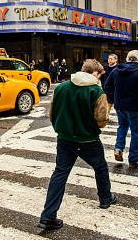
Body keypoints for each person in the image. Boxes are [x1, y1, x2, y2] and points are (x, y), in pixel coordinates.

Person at [38, 59, 116, 232]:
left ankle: (48, 216)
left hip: (64, 139)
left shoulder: (61, 87)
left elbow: (52, 113)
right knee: (101, 167)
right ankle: (105, 198)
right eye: (100, 75)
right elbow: (102, 119)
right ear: (95, 74)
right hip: (88, 139)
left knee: (60, 173)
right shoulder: (97, 91)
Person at [105, 50, 138, 168]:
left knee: (123, 126)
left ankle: (118, 147)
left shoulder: (116, 70)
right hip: (134, 105)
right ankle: (134, 159)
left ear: (127, 59)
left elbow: (107, 86)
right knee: (136, 131)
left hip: (119, 105)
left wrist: (114, 99)